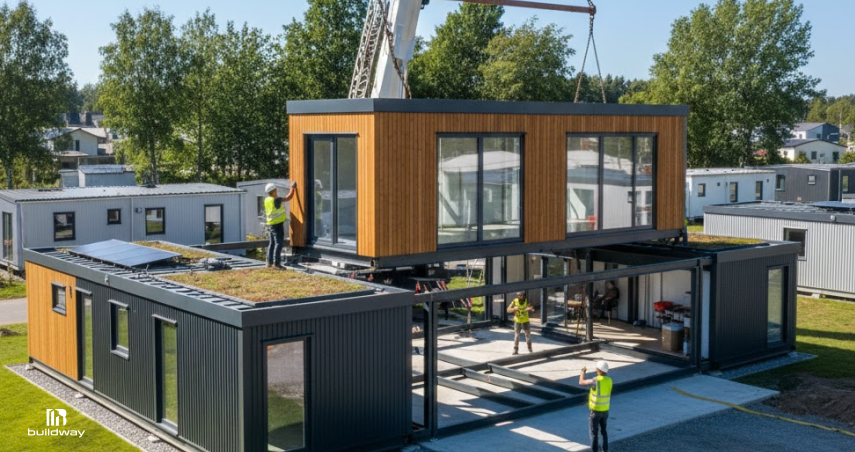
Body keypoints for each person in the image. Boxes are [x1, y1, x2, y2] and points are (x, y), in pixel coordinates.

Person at [579, 360, 612, 452]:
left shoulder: (595, 380)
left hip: (595, 411)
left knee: (594, 433)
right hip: (605, 411)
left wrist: (582, 372)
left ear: (599, 370)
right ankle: (605, 450)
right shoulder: (609, 380)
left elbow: (581, 382)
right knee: (604, 431)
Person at [264, 181, 297, 269]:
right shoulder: (276, 199)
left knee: (272, 243)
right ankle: (276, 264)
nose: (277, 191)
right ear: (274, 191)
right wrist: (292, 188)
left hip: (270, 224)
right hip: (277, 225)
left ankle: (269, 262)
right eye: (276, 190)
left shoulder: (267, 199)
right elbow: (288, 197)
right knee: (279, 243)